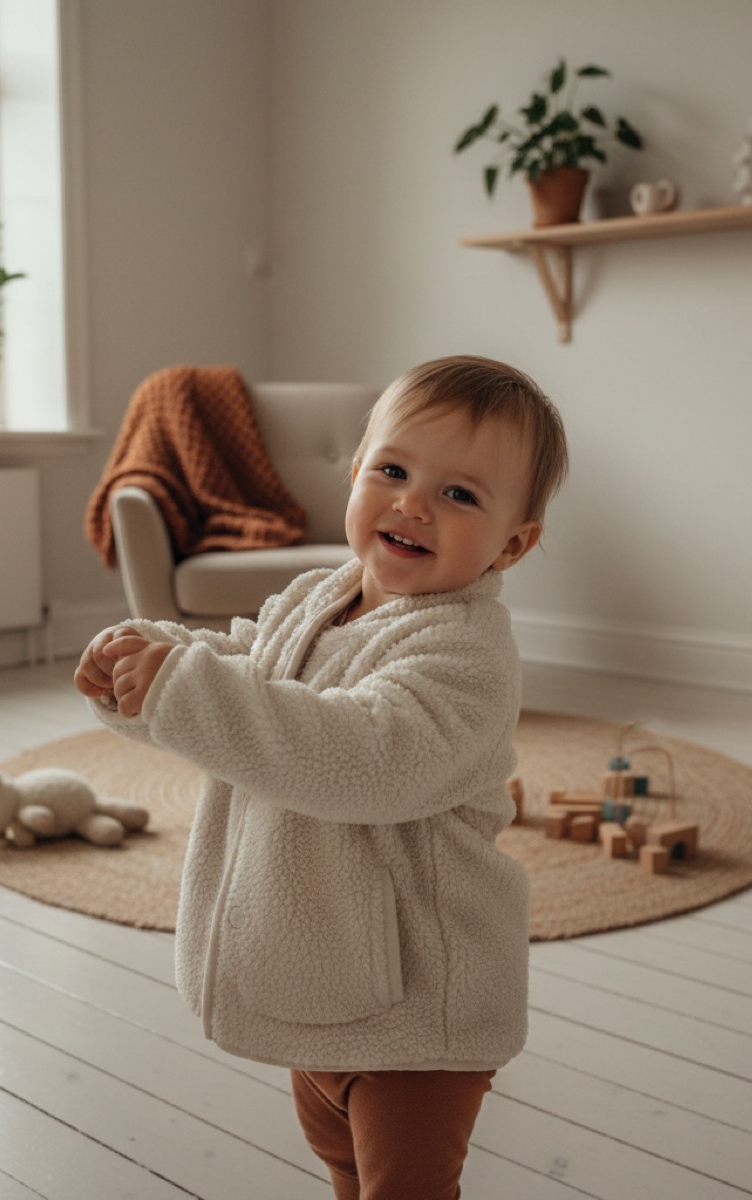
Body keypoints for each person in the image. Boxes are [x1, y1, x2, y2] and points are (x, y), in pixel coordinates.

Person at [75, 355, 569, 1199]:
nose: (413, 502)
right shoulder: (319, 593)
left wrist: (184, 691)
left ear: (512, 544)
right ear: (354, 476)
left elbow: (361, 757)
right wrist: (150, 666)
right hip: (327, 981)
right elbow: (248, 668)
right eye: (394, 471)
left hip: (419, 1007)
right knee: (341, 1165)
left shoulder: (466, 655)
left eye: (461, 495)